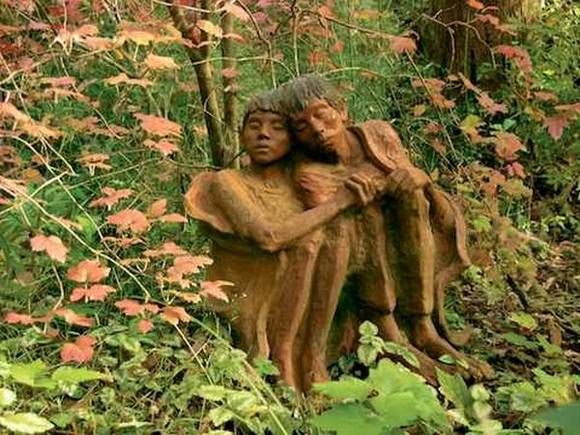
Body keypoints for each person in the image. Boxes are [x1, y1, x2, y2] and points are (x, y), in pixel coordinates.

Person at [278, 75, 491, 385]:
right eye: (301, 127)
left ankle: (421, 325)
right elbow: (334, 216)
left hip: (405, 236)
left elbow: (411, 179)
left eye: (322, 115)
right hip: (354, 265)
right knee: (366, 216)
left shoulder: (378, 134)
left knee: (412, 196)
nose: (317, 129)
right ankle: (386, 328)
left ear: (342, 110)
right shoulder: (308, 171)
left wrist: (418, 177)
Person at [184, 91, 381, 390]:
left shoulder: (300, 180)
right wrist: (338, 203)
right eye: (254, 125)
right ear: (242, 134)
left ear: (292, 139)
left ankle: (313, 356)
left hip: (309, 297)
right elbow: (267, 237)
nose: (263, 134)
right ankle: (283, 360)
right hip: (250, 290)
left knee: (327, 236)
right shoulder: (227, 181)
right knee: (308, 241)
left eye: (277, 127)